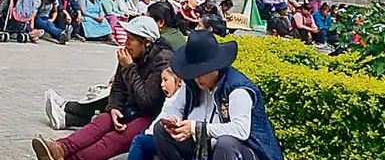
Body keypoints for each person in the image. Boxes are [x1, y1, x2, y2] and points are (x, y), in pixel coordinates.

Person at [32, 16, 173, 160]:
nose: (126, 43)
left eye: (131, 40)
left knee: (113, 139)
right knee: (100, 123)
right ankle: (60, 148)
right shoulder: (130, 54)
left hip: (150, 116)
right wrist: (114, 107)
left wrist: (129, 67)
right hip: (128, 108)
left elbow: (146, 101)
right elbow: (118, 86)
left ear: (147, 43)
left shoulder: (162, 60)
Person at [153, 31, 285, 160]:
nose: (197, 78)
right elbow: (176, 107)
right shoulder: (192, 82)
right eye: (193, 72)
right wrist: (173, 120)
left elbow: (241, 129)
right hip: (202, 147)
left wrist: (196, 128)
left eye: (202, 73)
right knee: (161, 129)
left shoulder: (237, 88)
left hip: (243, 151)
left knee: (226, 143)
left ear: (215, 67)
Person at [128, 66, 184, 160]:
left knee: (139, 141)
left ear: (180, 82)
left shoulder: (177, 99)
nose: (162, 85)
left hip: (165, 138)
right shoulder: (171, 99)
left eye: (165, 80)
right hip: (157, 134)